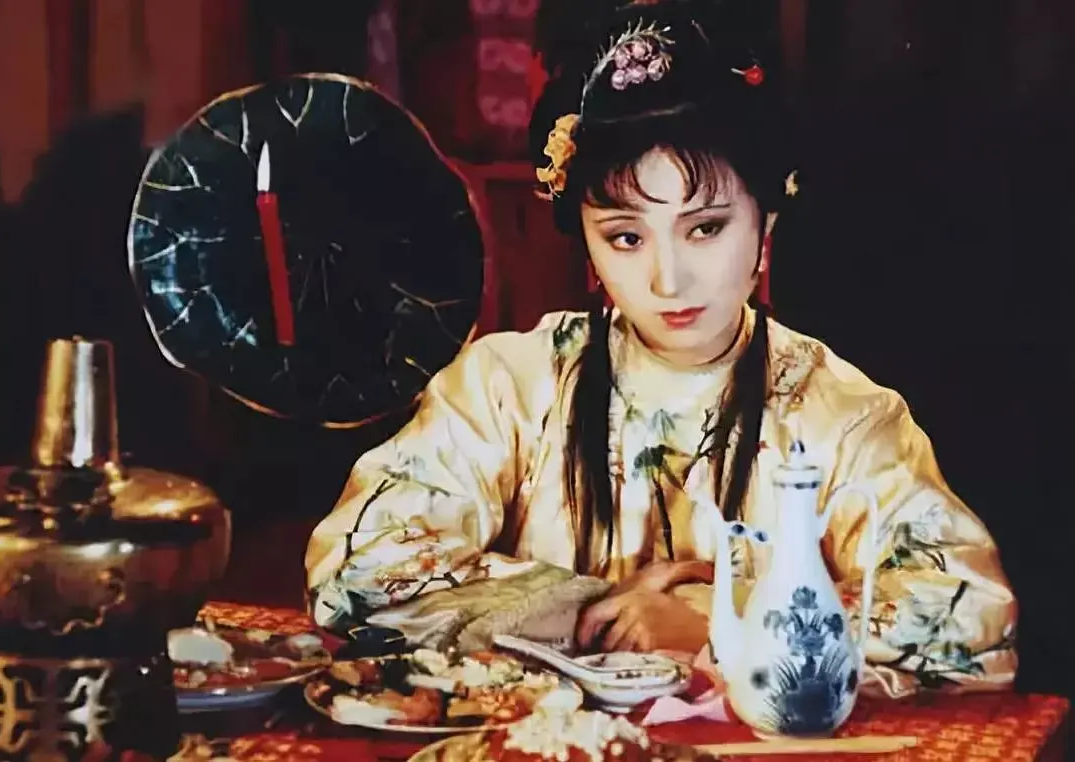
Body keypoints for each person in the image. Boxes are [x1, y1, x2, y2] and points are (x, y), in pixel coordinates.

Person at [305, 0, 1016, 698]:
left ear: (765, 222)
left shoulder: (842, 415)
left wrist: (716, 618)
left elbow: (969, 614)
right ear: (587, 243)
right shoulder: (509, 388)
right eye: (626, 236)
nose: (667, 279)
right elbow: (356, 569)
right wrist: (603, 608)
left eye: (705, 228)